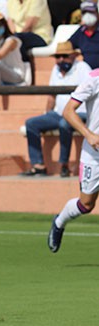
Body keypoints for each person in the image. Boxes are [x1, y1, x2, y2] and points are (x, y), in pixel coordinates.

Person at [47, 66, 99, 253]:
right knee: (86, 204)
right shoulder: (94, 78)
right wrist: (89, 135)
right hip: (94, 153)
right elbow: (68, 111)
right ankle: (60, 221)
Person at [21, 42, 90, 177]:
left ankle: (64, 164)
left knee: (64, 123)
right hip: (60, 113)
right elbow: (52, 95)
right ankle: (38, 165)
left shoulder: (83, 68)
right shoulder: (56, 70)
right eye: (58, 56)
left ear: (73, 56)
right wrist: (47, 114)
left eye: (64, 56)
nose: (61, 60)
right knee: (31, 123)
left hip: (80, 113)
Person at [69, 2, 99, 70]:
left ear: (97, 13)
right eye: (85, 13)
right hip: (88, 73)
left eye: (91, 12)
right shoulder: (81, 31)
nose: (88, 15)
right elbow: (69, 44)